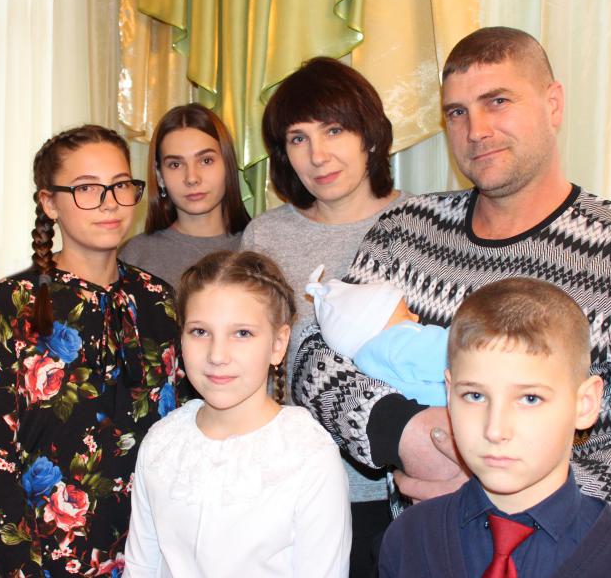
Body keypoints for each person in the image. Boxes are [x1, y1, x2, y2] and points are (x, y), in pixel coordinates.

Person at [294, 26, 611, 532]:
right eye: (457, 112)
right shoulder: (405, 231)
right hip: (424, 553)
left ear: (553, 104)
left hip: (566, 558)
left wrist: (519, 495)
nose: (476, 130)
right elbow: (315, 358)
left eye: (497, 101)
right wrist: (404, 432)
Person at [0, 125, 181, 576]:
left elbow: (181, 431)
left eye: (120, 185)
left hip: (150, 552)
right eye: (86, 188)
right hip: (42, 559)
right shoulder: (9, 304)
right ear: (50, 203)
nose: (109, 202)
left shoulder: (158, 300)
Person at [379, 278, 611, 577]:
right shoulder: (408, 541)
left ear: (585, 404)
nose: (495, 430)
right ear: (449, 393)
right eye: (475, 396)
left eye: (530, 399)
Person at [241, 56, 410, 574]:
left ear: (369, 135)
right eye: (299, 138)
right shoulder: (266, 237)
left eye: (334, 129)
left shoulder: (423, 223)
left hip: (400, 492)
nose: (318, 155)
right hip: (293, 489)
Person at [123, 251, 351, 577]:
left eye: (242, 333)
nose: (217, 355)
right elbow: (141, 567)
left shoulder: (309, 454)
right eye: (200, 331)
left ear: (278, 344)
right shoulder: (162, 443)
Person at [119, 103, 250, 289]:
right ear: (160, 176)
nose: (192, 178)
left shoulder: (258, 244)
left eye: (206, 161)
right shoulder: (134, 256)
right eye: (175, 165)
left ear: (227, 166)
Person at [306, 265, 449, 406]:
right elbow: (449, 352)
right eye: (406, 314)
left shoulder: (364, 364)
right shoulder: (398, 340)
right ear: (379, 323)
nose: (416, 317)